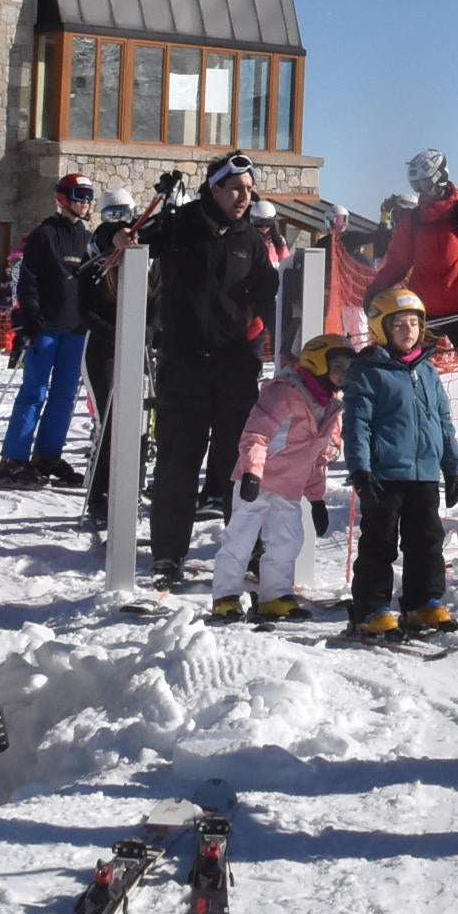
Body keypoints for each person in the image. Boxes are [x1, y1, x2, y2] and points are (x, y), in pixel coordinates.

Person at [141, 153, 281, 590]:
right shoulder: (180, 225)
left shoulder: (251, 240)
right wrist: (117, 235)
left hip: (235, 367)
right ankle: (168, 556)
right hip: (183, 366)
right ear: (215, 188)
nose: (244, 197)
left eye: (248, 189)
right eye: (235, 188)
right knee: (178, 465)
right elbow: (125, 238)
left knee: (239, 467)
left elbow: (270, 296)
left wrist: (294, 354)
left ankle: (246, 552)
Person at [344, 286, 458, 636]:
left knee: (427, 540)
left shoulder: (427, 370)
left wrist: (452, 466)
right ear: (382, 328)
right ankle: (373, 607)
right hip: (384, 474)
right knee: (379, 541)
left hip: (424, 473)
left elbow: (443, 421)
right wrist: (361, 469)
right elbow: (357, 424)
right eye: (399, 325)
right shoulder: (368, 370)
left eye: (414, 323)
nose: (408, 331)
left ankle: (422, 603)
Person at [214, 340, 350, 621]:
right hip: (258, 480)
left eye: (348, 367)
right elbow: (257, 434)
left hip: (288, 487)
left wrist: (316, 500)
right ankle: (225, 596)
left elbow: (314, 459)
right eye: (337, 366)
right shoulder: (285, 393)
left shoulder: (329, 407)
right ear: (317, 363)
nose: (343, 373)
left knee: (287, 541)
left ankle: (275, 596)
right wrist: (252, 471)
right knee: (240, 537)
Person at [369, 151, 458, 428]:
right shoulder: (412, 220)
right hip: (424, 312)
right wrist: (376, 288)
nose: (423, 193)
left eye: (426, 185)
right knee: (408, 368)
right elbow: (398, 261)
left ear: (441, 178)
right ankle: (404, 427)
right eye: (417, 188)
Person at [0, 175, 99, 488]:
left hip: (75, 328)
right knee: (34, 391)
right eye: (79, 195)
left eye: (89, 196)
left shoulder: (86, 237)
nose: (84, 202)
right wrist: (31, 314)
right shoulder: (45, 234)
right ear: (62, 198)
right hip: (47, 326)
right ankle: (14, 458)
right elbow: (29, 279)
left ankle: (48, 455)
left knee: (65, 396)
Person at [81, 191, 138, 526]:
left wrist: (150, 331)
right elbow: (86, 312)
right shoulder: (96, 256)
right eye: (112, 214)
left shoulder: (141, 254)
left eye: (125, 213)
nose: (120, 221)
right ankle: (99, 494)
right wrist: (118, 333)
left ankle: (130, 487)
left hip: (138, 347)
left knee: (138, 423)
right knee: (111, 420)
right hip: (103, 349)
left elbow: (156, 302)